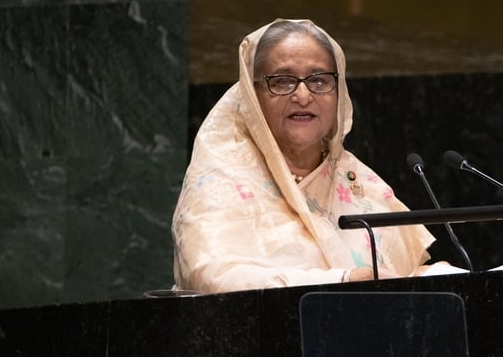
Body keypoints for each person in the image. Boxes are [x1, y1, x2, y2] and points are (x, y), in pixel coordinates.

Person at [172, 19, 436, 293]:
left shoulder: (358, 182)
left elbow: (399, 276)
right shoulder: (221, 180)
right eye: (283, 81)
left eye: (319, 80)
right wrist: (343, 281)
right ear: (253, 93)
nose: (302, 95)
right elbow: (213, 276)